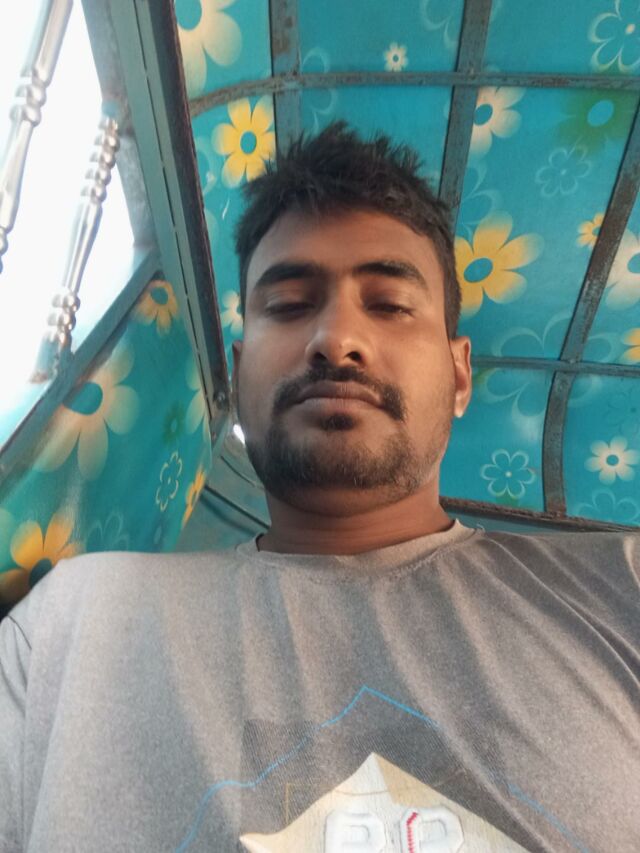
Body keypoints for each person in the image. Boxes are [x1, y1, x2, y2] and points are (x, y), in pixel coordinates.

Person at [0, 123, 638, 853]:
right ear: (238, 371)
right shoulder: (72, 628)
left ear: (460, 373)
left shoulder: (623, 589)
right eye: (289, 304)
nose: (336, 338)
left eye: (389, 303)